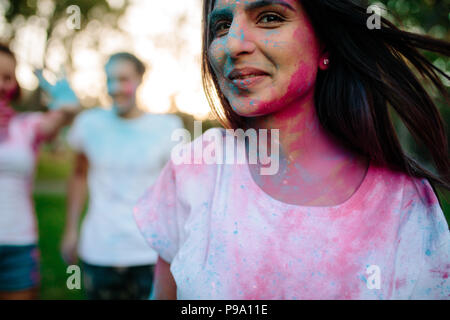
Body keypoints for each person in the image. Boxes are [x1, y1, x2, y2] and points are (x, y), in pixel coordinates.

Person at [133, 0, 450, 299]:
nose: (232, 43)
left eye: (269, 17)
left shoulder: (403, 202)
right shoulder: (194, 167)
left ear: (324, 43)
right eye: (221, 25)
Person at [61, 52, 184, 300]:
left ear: (140, 80)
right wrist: (71, 229)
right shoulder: (89, 123)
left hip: (150, 253)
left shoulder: (167, 127)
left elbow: (178, 189)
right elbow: (78, 176)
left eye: (123, 79)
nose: (115, 88)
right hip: (99, 249)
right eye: (110, 80)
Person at [0, 43, 80, 300]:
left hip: (18, 245)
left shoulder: (26, 126)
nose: (2, 84)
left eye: (7, 77)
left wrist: (65, 100)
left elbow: (67, 114)